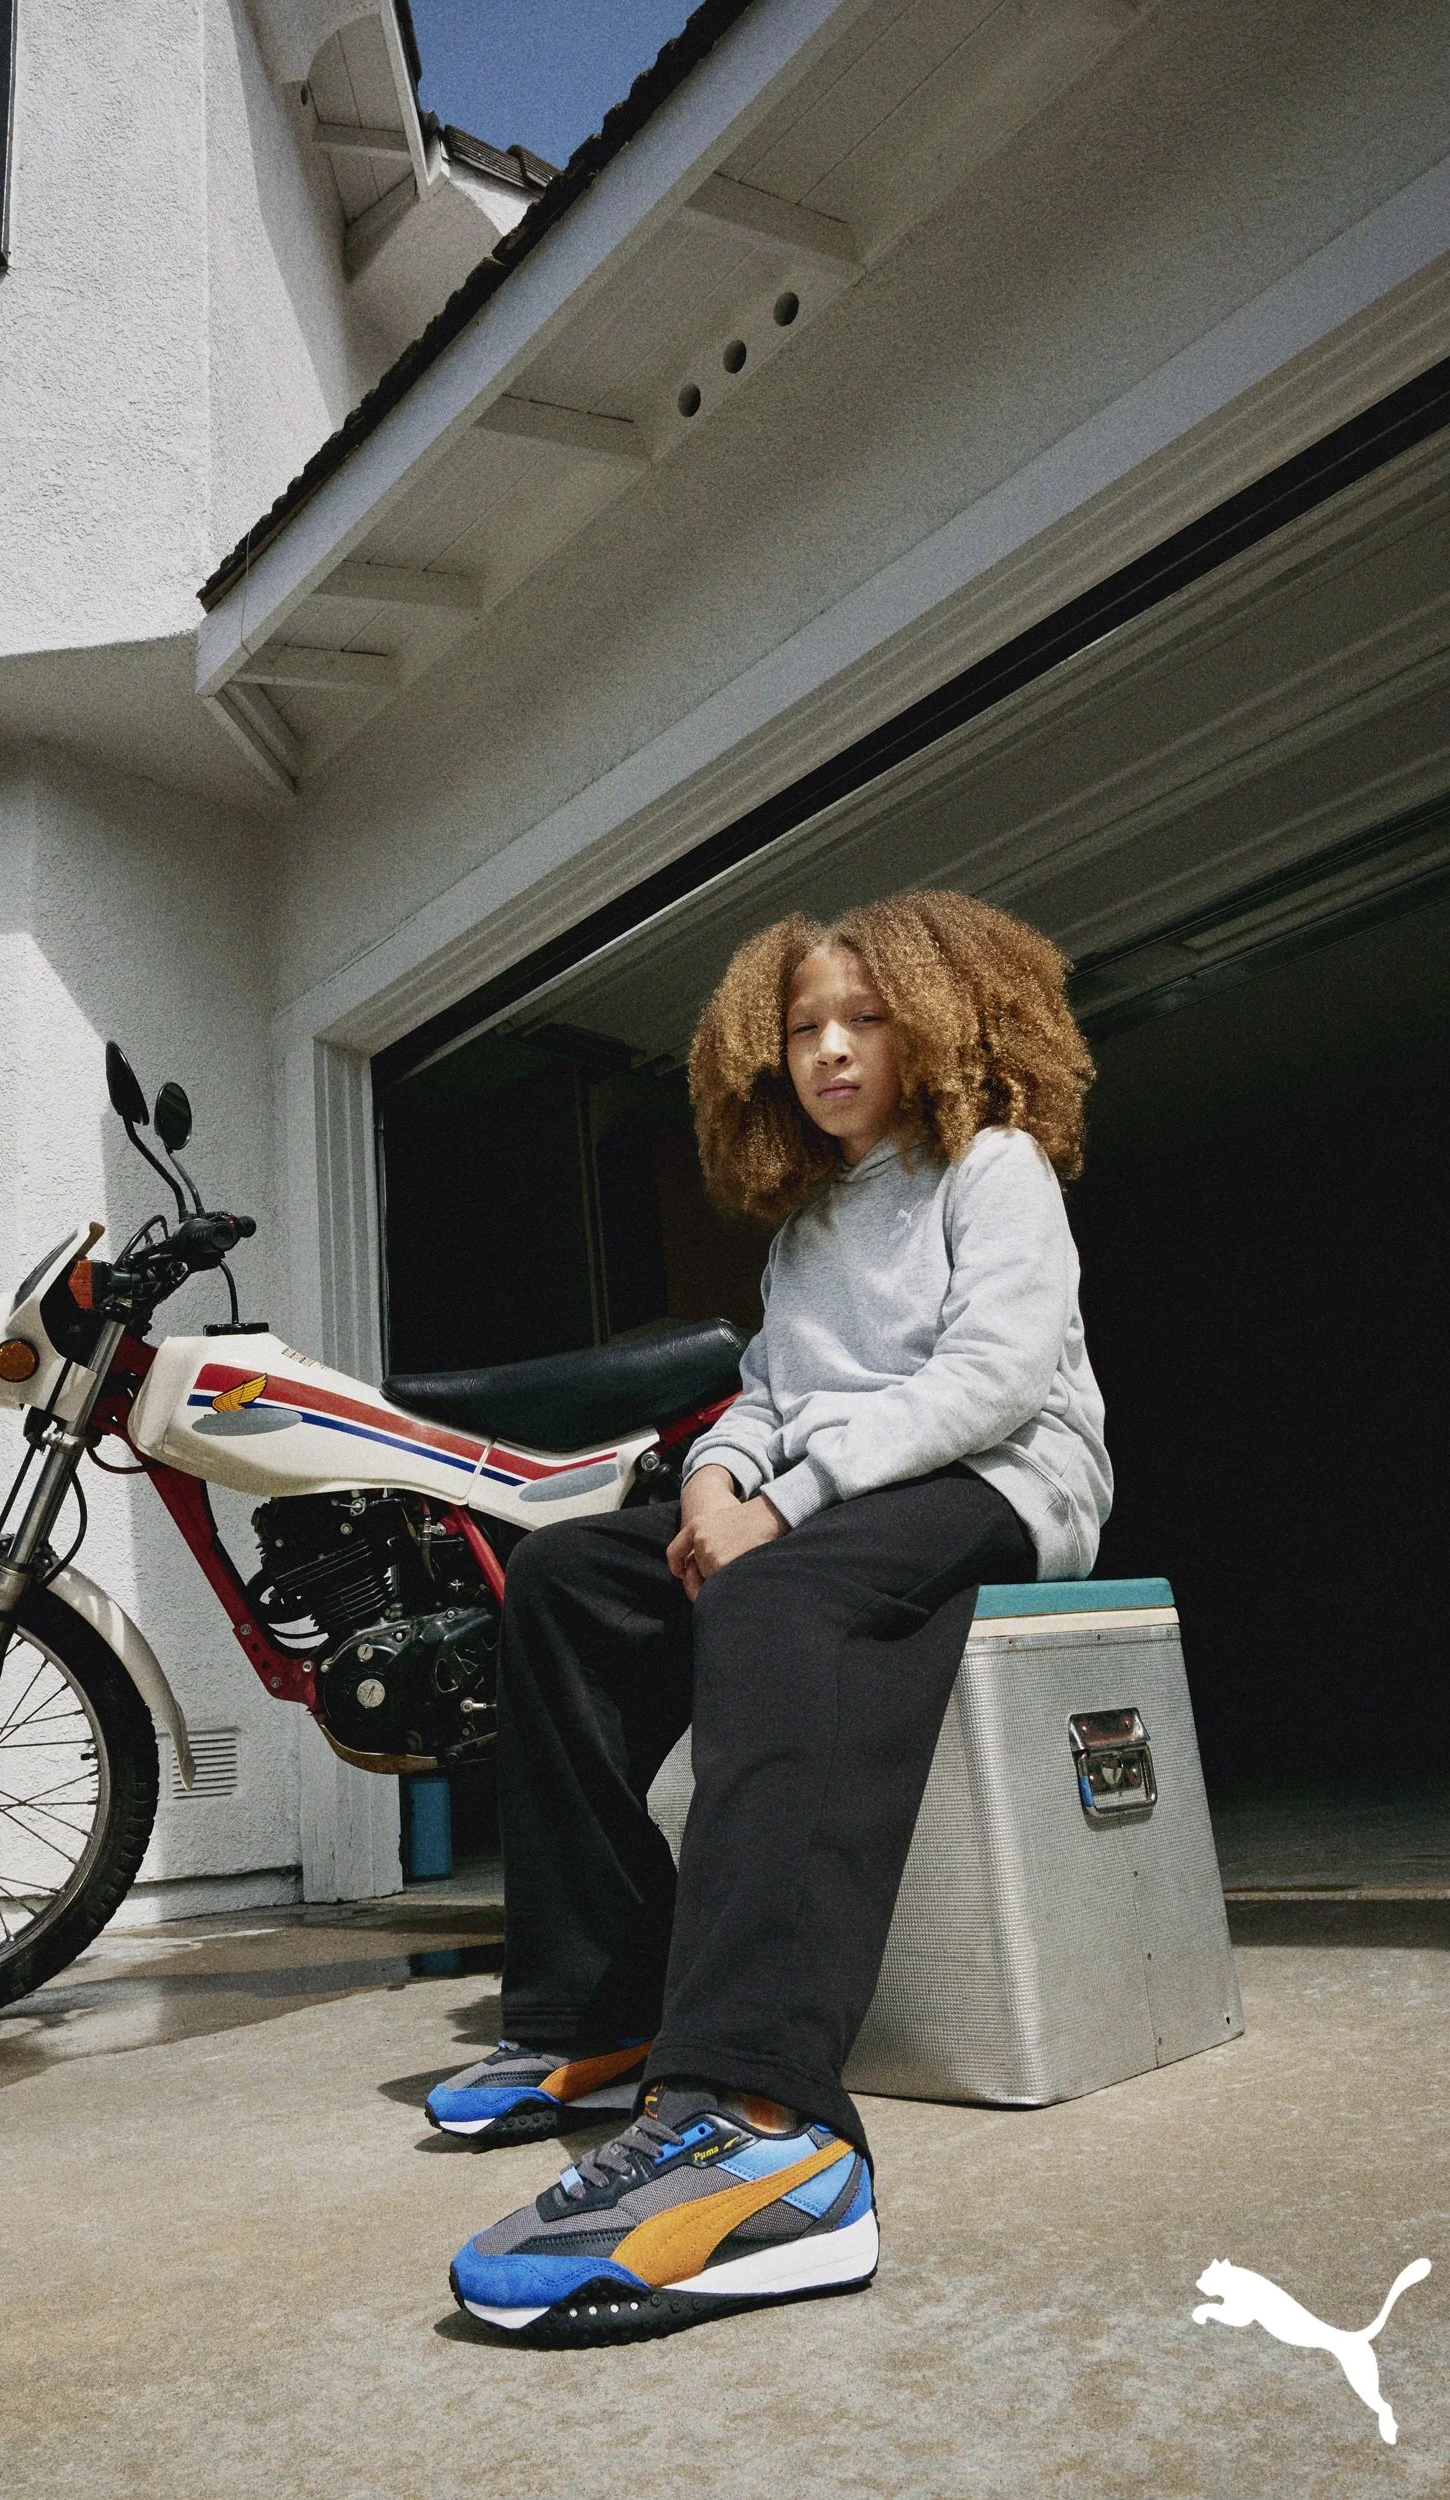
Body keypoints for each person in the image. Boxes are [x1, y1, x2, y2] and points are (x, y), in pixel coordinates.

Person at [432, 890, 1111, 2345]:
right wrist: (717, 1478)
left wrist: (783, 1510)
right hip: (828, 1499)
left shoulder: (990, 1169)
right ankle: (598, 2004)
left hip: (1004, 1479)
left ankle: (766, 2123)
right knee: (561, 1581)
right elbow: (770, 1392)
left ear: (937, 1022)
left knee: (774, 1596)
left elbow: (994, 1378)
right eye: (803, 1028)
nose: (831, 1050)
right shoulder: (808, 1225)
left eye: (865, 1018)